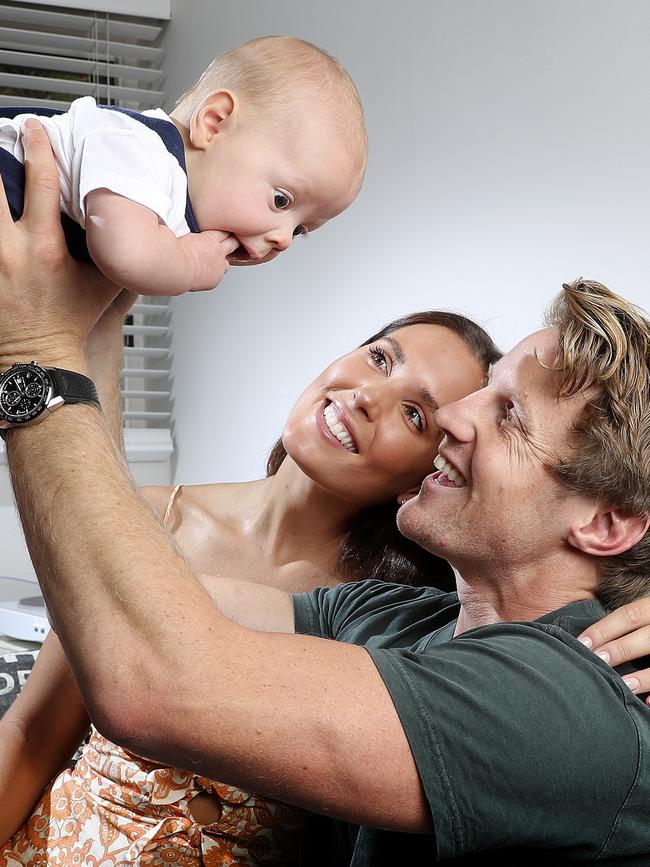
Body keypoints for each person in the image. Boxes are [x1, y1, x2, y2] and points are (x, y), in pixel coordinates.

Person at [2, 123, 650, 865]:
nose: (451, 420)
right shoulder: (403, 618)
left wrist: (36, 351)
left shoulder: (565, 701)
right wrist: (102, 305)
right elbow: (131, 597)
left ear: (606, 523)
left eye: (508, 415)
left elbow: (152, 680)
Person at [0, 35, 366, 296]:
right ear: (214, 123)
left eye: (300, 229)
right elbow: (125, 251)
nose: (283, 240)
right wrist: (189, 264)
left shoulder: (161, 203)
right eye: (282, 201)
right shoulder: (140, 149)